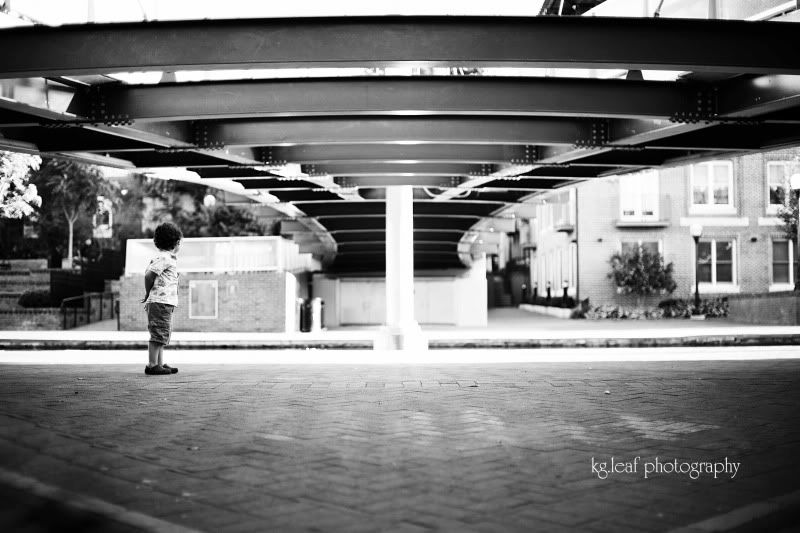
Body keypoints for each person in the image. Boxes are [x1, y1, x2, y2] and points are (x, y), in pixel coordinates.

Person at [142, 222, 182, 376]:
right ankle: (152, 365)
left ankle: (159, 364)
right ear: (176, 243)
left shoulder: (167, 258)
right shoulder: (165, 258)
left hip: (165, 303)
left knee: (162, 334)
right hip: (160, 302)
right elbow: (148, 275)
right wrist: (147, 294)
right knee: (158, 334)